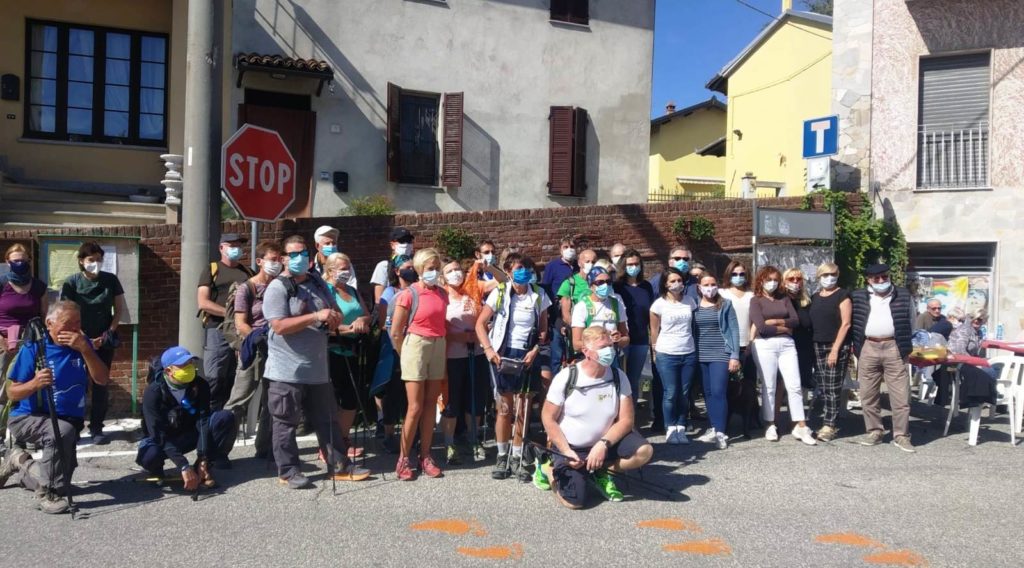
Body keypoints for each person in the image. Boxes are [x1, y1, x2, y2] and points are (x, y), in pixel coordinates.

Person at [263, 235, 369, 489]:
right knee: (285, 422)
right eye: (293, 254)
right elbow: (278, 325)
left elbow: (335, 311)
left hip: (318, 367)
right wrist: (315, 316)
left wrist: (333, 318)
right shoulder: (278, 288)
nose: (299, 258)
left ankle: (340, 464)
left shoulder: (317, 283)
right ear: (284, 259)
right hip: (286, 369)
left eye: (303, 253)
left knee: (327, 419)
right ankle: (288, 471)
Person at [0, 301, 109, 514]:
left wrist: (86, 349)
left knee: (61, 482)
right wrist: (34, 383)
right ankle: (46, 494)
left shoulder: (81, 344)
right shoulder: (34, 349)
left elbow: (102, 379)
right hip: (28, 417)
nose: (74, 329)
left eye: (78, 323)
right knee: (61, 435)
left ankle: (19, 461)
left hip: (68, 422)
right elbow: (12, 393)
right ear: (50, 324)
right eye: (68, 323)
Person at [538, 326, 653, 508]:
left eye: (610, 346)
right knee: (575, 502)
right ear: (586, 351)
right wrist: (566, 451)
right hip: (572, 448)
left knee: (644, 451)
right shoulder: (567, 377)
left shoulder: (618, 376)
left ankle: (600, 471)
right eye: (602, 348)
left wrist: (603, 444)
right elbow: (548, 417)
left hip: (606, 444)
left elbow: (626, 420)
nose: (609, 351)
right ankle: (548, 469)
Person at [476, 254, 551, 481]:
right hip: (504, 353)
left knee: (524, 407)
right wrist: (489, 350)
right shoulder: (500, 293)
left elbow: (543, 331)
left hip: (527, 354)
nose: (524, 272)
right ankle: (502, 455)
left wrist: (535, 350)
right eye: (519, 268)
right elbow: (480, 324)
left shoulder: (538, 294)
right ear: (508, 271)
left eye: (527, 268)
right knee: (505, 408)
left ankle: (517, 457)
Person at [136, 346, 236, 490]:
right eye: (183, 365)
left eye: (190, 363)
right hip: (163, 438)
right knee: (150, 456)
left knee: (224, 418)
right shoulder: (153, 393)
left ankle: (201, 468)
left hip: (188, 434)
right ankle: (157, 472)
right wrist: (183, 465)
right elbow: (157, 433)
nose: (189, 368)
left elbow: (203, 420)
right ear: (168, 371)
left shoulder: (200, 385)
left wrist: (203, 457)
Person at [59, 241, 127, 445]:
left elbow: (119, 309)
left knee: (100, 383)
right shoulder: (71, 283)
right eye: (91, 260)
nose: (95, 263)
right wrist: (84, 339)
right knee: (76, 384)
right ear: (82, 261)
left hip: (104, 340)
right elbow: (66, 311)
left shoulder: (110, 280)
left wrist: (108, 333)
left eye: (99, 259)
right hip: (78, 339)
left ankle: (97, 427)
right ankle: (74, 427)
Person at [390, 248, 449, 481]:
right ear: (419, 270)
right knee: (414, 407)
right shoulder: (409, 294)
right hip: (415, 344)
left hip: (438, 343)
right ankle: (404, 458)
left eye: (436, 267)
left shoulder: (442, 294)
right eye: (429, 268)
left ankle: (425, 455)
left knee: (430, 404)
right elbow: (395, 331)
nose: (434, 272)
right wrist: (404, 353)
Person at [223, 240, 282, 460]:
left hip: (278, 351)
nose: (277, 264)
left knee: (273, 401)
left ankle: (265, 448)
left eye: (279, 260)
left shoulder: (282, 285)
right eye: (272, 259)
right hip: (255, 350)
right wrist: (259, 338)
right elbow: (241, 324)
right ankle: (220, 450)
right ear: (259, 261)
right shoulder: (247, 288)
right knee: (238, 401)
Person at [850, 263, 916, 453]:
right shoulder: (858, 296)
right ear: (868, 280)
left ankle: (901, 435)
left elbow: (912, 321)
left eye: (884, 277)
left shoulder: (903, 295)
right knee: (868, 394)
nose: (881, 281)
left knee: (900, 395)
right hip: (868, 346)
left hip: (894, 346)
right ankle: (875, 431)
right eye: (876, 278)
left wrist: (904, 345)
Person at [749, 266, 816, 445]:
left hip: (787, 345)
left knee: (794, 385)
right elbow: (761, 328)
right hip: (765, 345)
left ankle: (800, 425)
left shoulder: (784, 298)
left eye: (775, 280)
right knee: (769, 386)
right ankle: (770, 423)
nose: (772, 283)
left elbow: (795, 321)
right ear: (761, 280)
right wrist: (784, 327)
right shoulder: (756, 300)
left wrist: (775, 322)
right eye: (768, 279)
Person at [196, 233, 254, 411]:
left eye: (239, 245)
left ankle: (231, 415)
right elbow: (203, 303)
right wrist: (231, 315)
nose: (237, 249)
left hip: (241, 330)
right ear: (221, 248)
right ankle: (210, 414)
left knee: (237, 374)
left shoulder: (248, 273)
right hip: (217, 328)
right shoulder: (212, 269)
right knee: (215, 374)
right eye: (232, 245)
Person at [324, 252, 372, 459]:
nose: (347, 271)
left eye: (348, 266)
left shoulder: (351, 290)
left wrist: (362, 321)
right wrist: (348, 329)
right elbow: (323, 323)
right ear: (330, 270)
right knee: (333, 398)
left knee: (351, 397)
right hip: (332, 350)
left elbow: (366, 314)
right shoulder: (325, 291)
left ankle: (343, 438)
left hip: (353, 350)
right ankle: (328, 443)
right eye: (342, 268)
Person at [442, 258, 490, 464]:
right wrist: (456, 337)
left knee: (476, 396)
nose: (455, 273)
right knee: (452, 399)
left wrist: (485, 267)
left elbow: (501, 282)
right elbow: (436, 325)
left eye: (457, 269)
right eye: (450, 271)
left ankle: (473, 437)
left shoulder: (473, 288)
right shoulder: (441, 295)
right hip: (452, 355)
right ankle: (449, 442)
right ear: (443, 276)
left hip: (477, 352)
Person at [649, 267, 698, 445]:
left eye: (679, 280)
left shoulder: (690, 301)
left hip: (688, 352)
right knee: (670, 392)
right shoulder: (658, 304)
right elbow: (654, 330)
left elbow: (693, 326)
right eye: (672, 281)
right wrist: (654, 351)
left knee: (684, 393)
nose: (677, 284)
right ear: (665, 284)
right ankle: (670, 427)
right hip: (667, 352)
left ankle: (681, 426)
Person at [692, 274, 740, 449]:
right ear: (699, 287)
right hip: (700, 355)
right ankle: (713, 427)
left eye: (713, 284)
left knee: (719, 391)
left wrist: (734, 355)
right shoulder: (693, 306)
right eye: (706, 284)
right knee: (708, 392)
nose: (710, 287)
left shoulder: (725, 304)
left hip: (720, 353)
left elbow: (734, 329)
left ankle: (720, 431)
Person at [372, 255, 414, 453]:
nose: (411, 271)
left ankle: (410, 433)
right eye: (407, 267)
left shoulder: (417, 290)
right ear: (397, 271)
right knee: (392, 391)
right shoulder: (389, 292)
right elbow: (382, 323)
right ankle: (389, 434)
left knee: (409, 393)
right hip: (393, 347)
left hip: (413, 345)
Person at [808, 263, 852, 442]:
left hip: (836, 346)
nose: (829, 277)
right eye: (825, 274)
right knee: (824, 386)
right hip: (818, 344)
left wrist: (835, 349)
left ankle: (829, 425)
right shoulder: (815, 297)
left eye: (833, 274)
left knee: (833, 386)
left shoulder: (843, 295)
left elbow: (846, 323)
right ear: (819, 276)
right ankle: (826, 419)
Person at [614, 249, 654, 399]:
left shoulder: (646, 286)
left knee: (633, 381)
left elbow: (650, 313)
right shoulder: (617, 287)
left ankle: (632, 417)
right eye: (630, 264)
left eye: (636, 263)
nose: (634, 267)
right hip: (622, 339)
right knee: (620, 380)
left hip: (641, 340)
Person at [0, 244, 48, 369]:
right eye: (16, 261)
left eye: (23, 260)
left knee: (27, 381)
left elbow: (44, 316)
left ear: (29, 261)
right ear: (8, 262)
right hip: (3, 341)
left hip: (30, 341)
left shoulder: (39, 286)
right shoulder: (2, 284)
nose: (20, 264)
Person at [540, 237, 579, 375]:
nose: (570, 250)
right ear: (560, 249)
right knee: (557, 356)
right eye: (566, 247)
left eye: (572, 246)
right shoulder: (553, 266)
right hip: (557, 316)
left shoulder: (579, 267)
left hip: (576, 316)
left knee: (574, 355)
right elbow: (545, 288)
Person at [570, 267, 629, 355]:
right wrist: (602, 344)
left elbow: (626, 338)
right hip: (590, 357)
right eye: (600, 282)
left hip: (612, 357)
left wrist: (618, 340)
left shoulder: (616, 304)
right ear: (591, 286)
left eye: (608, 282)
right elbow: (576, 344)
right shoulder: (582, 307)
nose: (605, 285)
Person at [782, 268, 815, 394]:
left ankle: (799, 410)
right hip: (786, 346)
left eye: (799, 279)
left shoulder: (807, 301)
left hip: (805, 347)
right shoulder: (781, 300)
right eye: (791, 279)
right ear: (784, 281)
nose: (795, 282)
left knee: (801, 383)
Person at [370, 227, 415, 304]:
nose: (406, 244)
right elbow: (379, 299)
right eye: (402, 241)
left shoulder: (416, 264)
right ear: (392, 245)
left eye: (409, 241)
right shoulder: (384, 266)